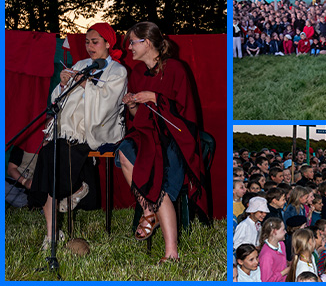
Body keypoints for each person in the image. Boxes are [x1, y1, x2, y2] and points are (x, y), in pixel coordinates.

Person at [116, 21, 208, 263]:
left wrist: (155, 97)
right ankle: (148, 211)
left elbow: (185, 112)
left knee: (160, 174)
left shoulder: (176, 68)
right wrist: (133, 105)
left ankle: (171, 253)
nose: (129, 49)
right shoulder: (136, 73)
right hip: (147, 135)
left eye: (132, 43)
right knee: (124, 150)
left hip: (176, 137)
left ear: (147, 43)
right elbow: (139, 119)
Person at [33, 22, 127, 250]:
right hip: (69, 129)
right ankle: (52, 233)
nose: (89, 46)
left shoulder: (118, 71)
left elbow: (108, 106)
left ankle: (76, 190)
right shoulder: (82, 64)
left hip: (97, 129)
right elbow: (60, 100)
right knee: (48, 153)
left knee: (58, 154)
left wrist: (87, 85)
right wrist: (63, 83)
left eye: (95, 42)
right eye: (87, 41)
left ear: (107, 43)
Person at [259, 218, 290, 282]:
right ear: (274, 232)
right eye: (283, 230)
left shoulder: (281, 244)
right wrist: (283, 272)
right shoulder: (266, 255)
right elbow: (266, 281)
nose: (285, 232)